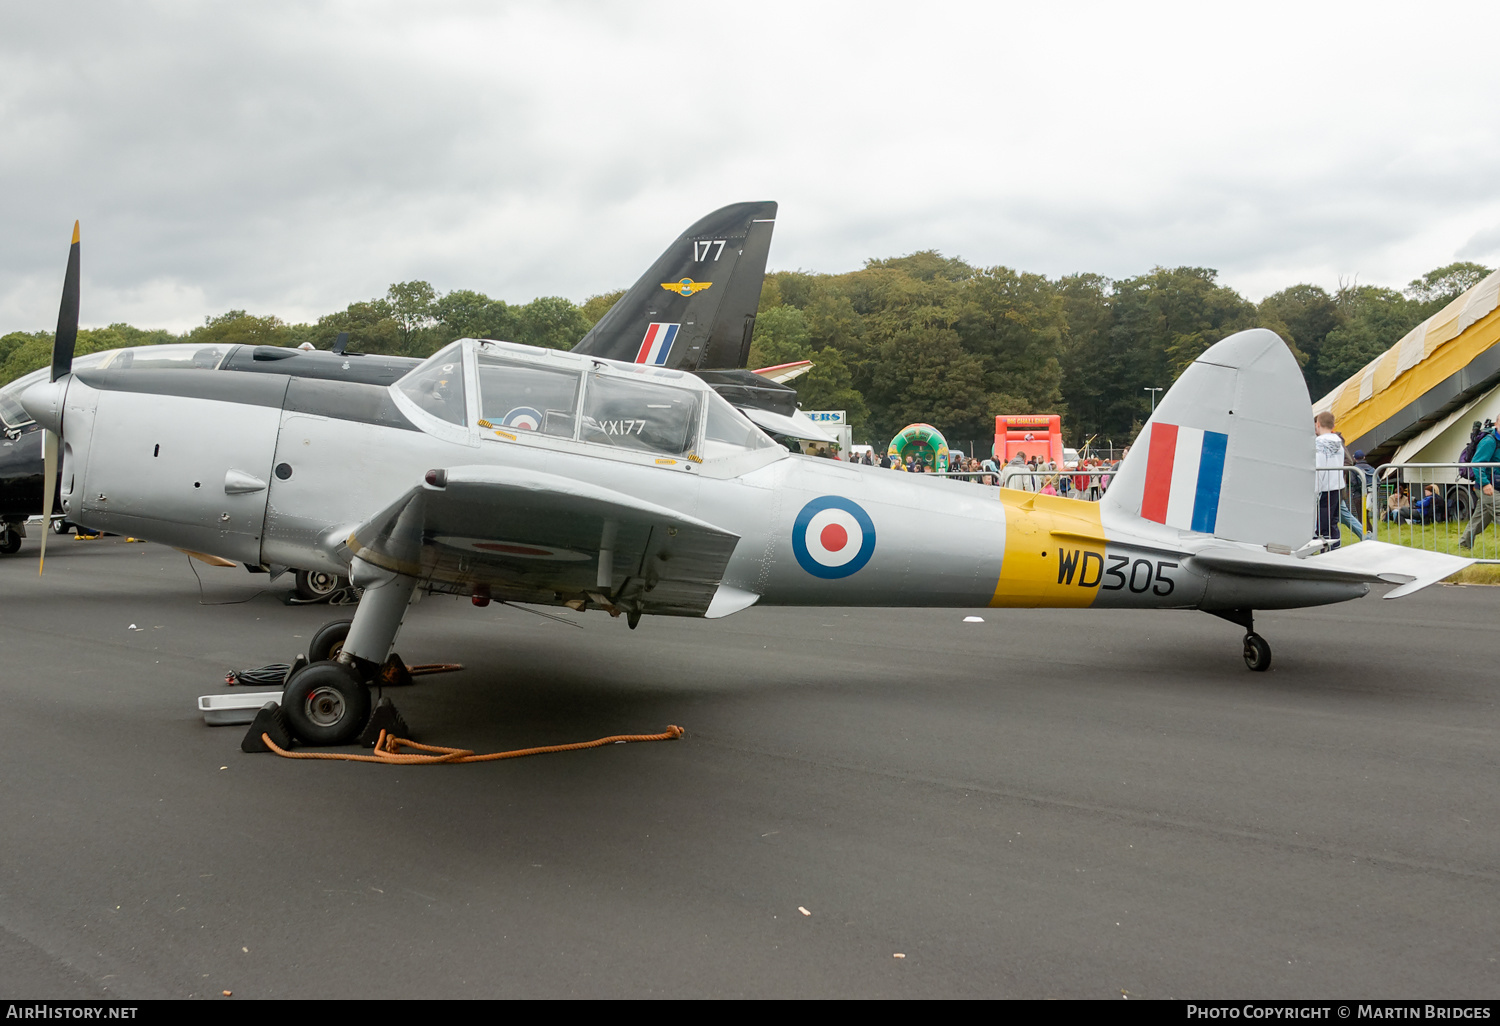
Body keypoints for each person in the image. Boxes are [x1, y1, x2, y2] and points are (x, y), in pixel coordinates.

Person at [1460, 421, 1500, 549]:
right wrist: (1485, 483)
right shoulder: (1489, 441)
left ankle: (1464, 546)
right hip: (1487, 487)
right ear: (1498, 424)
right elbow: (1477, 463)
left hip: (1496, 486)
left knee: (1480, 519)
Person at [1315, 411, 1345, 550]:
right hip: (1338, 486)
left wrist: (1316, 490)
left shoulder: (1319, 443)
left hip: (1325, 488)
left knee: (1322, 526)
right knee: (1333, 523)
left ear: (1318, 424)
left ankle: (1325, 552)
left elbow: (1319, 466)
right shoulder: (1338, 442)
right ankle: (1336, 550)